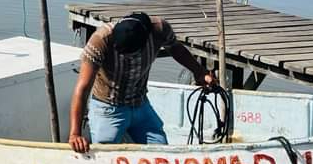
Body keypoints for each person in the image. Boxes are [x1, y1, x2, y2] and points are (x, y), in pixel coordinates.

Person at [69, 12, 213, 153]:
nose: (127, 59)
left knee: (160, 153)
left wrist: (199, 72)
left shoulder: (160, 30)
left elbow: (176, 48)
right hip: (108, 108)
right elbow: (82, 88)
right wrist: (75, 133)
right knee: (107, 157)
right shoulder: (100, 40)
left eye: (131, 55)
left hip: (140, 104)